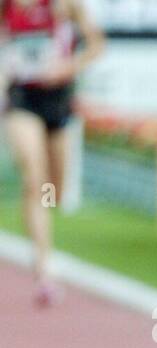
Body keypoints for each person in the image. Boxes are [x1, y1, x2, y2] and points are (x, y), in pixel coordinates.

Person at [1, 0, 103, 305]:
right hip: (22, 99)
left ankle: (43, 239)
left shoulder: (64, 5)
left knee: (53, 191)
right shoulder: (7, 7)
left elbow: (97, 45)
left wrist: (68, 67)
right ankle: (44, 266)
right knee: (35, 177)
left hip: (58, 102)